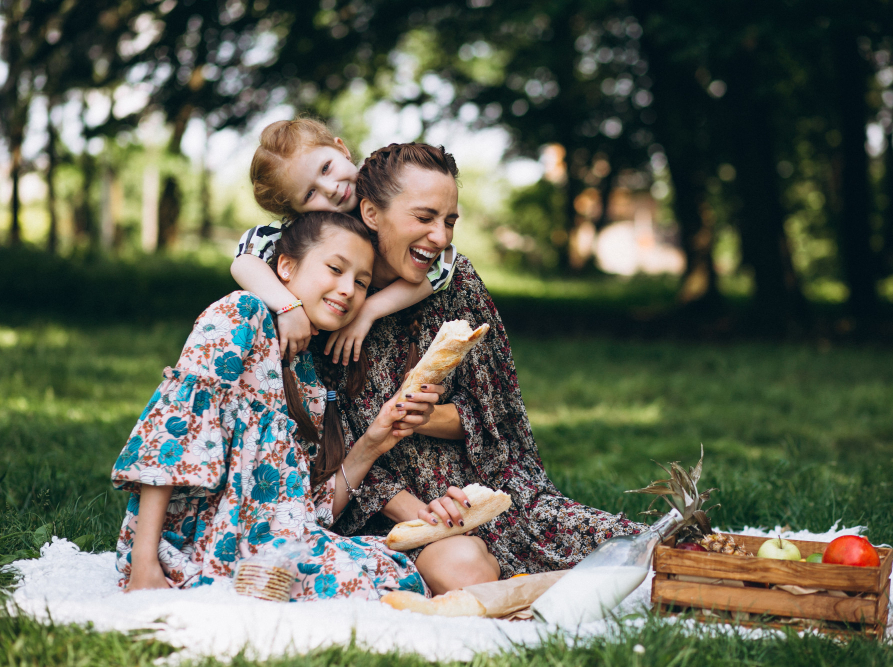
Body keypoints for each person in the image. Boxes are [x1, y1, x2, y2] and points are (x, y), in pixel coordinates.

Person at [232, 143, 642, 582]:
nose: (441, 237)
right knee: (463, 567)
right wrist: (421, 512)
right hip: (383, 510)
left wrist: (422, 418)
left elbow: (499, 417)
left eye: (449, 221)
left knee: (633, 550)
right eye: (424, 218)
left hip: (486, 492)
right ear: (371, 214)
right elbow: (326, 448)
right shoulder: (326, 299)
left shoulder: (455, 282)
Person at [111, 211, 477, 600]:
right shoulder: (242, 314)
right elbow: (173, 432)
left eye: (361, 283)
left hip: (273, 549)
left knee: (395, 573)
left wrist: (372, 443)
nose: (348, 289)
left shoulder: (308, 377)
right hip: (200, 542)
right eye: (335, 269)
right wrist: (144, 563)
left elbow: (308, 512)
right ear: (285, 266)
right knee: (389, 583)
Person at [237, 118, 458, 369]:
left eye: (325, 168)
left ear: (341, 149)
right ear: (297, 213)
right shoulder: (313, 229)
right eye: (310, 194)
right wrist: (288, 307)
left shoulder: (383, 193)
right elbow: (244, 258)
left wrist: (369, 310)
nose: (330, 188)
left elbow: (444, 263)